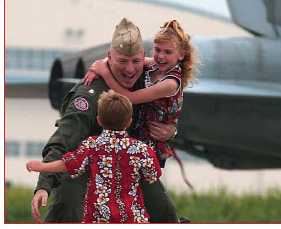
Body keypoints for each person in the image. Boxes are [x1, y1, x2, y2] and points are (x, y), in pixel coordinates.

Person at [31, 18, 178, 223]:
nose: (129, 70)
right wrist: (43, 186)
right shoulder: (89, 96)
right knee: (69, 206)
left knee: (164, 212)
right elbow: (64, 140)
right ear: (109, 57)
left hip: (128, 161)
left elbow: (172, 108)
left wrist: (171, 131)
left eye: (136, 61)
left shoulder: (151, 79)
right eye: (122, 62)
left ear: (145, 57)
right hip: (84, 164)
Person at [84, 19, 198, 186]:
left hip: (152, 147)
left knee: (137, 190)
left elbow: (129, 98)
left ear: (181, 55)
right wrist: (99, 67)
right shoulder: (155, 65)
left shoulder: (171, 82)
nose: (160, 56)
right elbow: (125, 61)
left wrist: (105, 73)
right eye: (157, 50)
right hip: (138, 138)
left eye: (168, 52)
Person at [27, 91, 162, 223]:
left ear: (99, 121)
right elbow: (153, 175)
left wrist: (42, 166)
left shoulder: (91, 145)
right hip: (132, 218)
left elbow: (68, 164)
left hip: (97, 218)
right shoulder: (142, 150)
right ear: (129, 122)